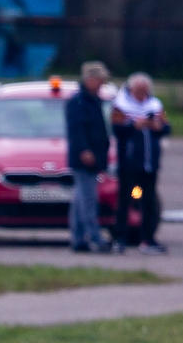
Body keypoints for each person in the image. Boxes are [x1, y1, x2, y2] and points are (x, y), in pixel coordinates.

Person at [111, 72, 171, 254]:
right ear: (131, 89)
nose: (142, 94)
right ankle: (119, 239)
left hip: (149, 164)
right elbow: (116, 129)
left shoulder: (155, 104)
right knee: (125, 201)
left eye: (145, 91)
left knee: (149, 202)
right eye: (138, 91)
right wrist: (133, 125)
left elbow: (166, 127)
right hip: (128, 164)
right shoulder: (120, 105)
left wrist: (158, 126)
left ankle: (148, 239)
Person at [64, 61, 111, 253]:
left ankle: (78, 238)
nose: (102, 84)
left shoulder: (94, 100)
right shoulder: (78, 102)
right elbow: (76, 130)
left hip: (95, 156)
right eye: (100, 80)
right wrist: (84, 150)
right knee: (88, 199)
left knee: (79, 199)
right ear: (90, 79)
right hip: (84, 158)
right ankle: (94, 236)